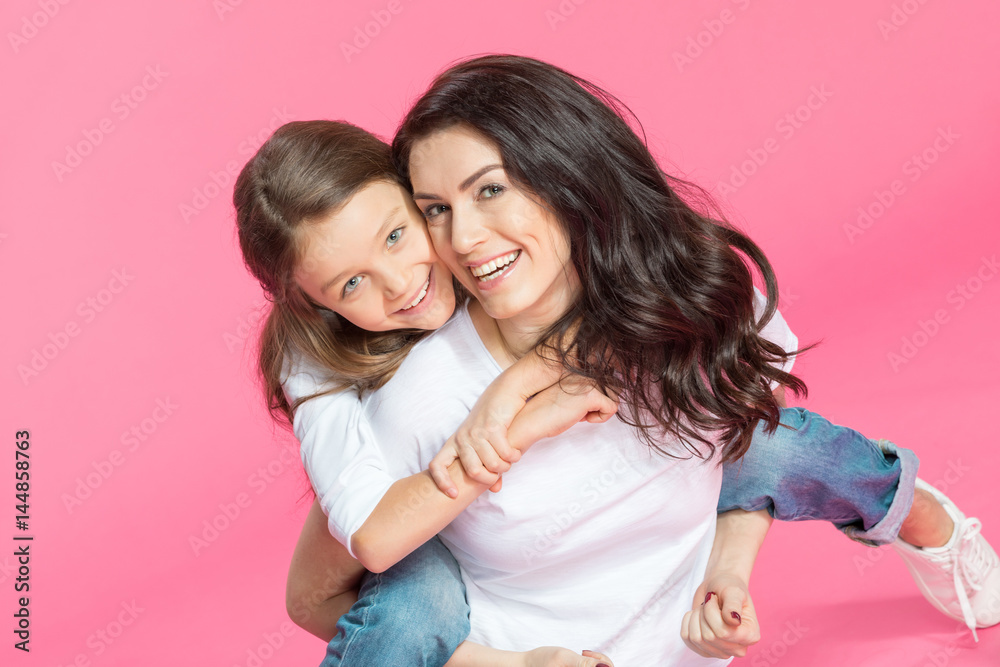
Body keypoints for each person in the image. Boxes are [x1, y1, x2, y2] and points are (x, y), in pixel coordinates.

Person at [237, 57, 999, 665]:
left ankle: (923, 516)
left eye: (489, 190)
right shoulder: (391, 396)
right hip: (535, 641)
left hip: (684, 592)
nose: (462, 239)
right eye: (438, 209)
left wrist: (725, 571)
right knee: (409, 599)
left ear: (564, 174)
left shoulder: (672, 286)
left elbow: (740, 437)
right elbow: (325, 586)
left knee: (773, 434)